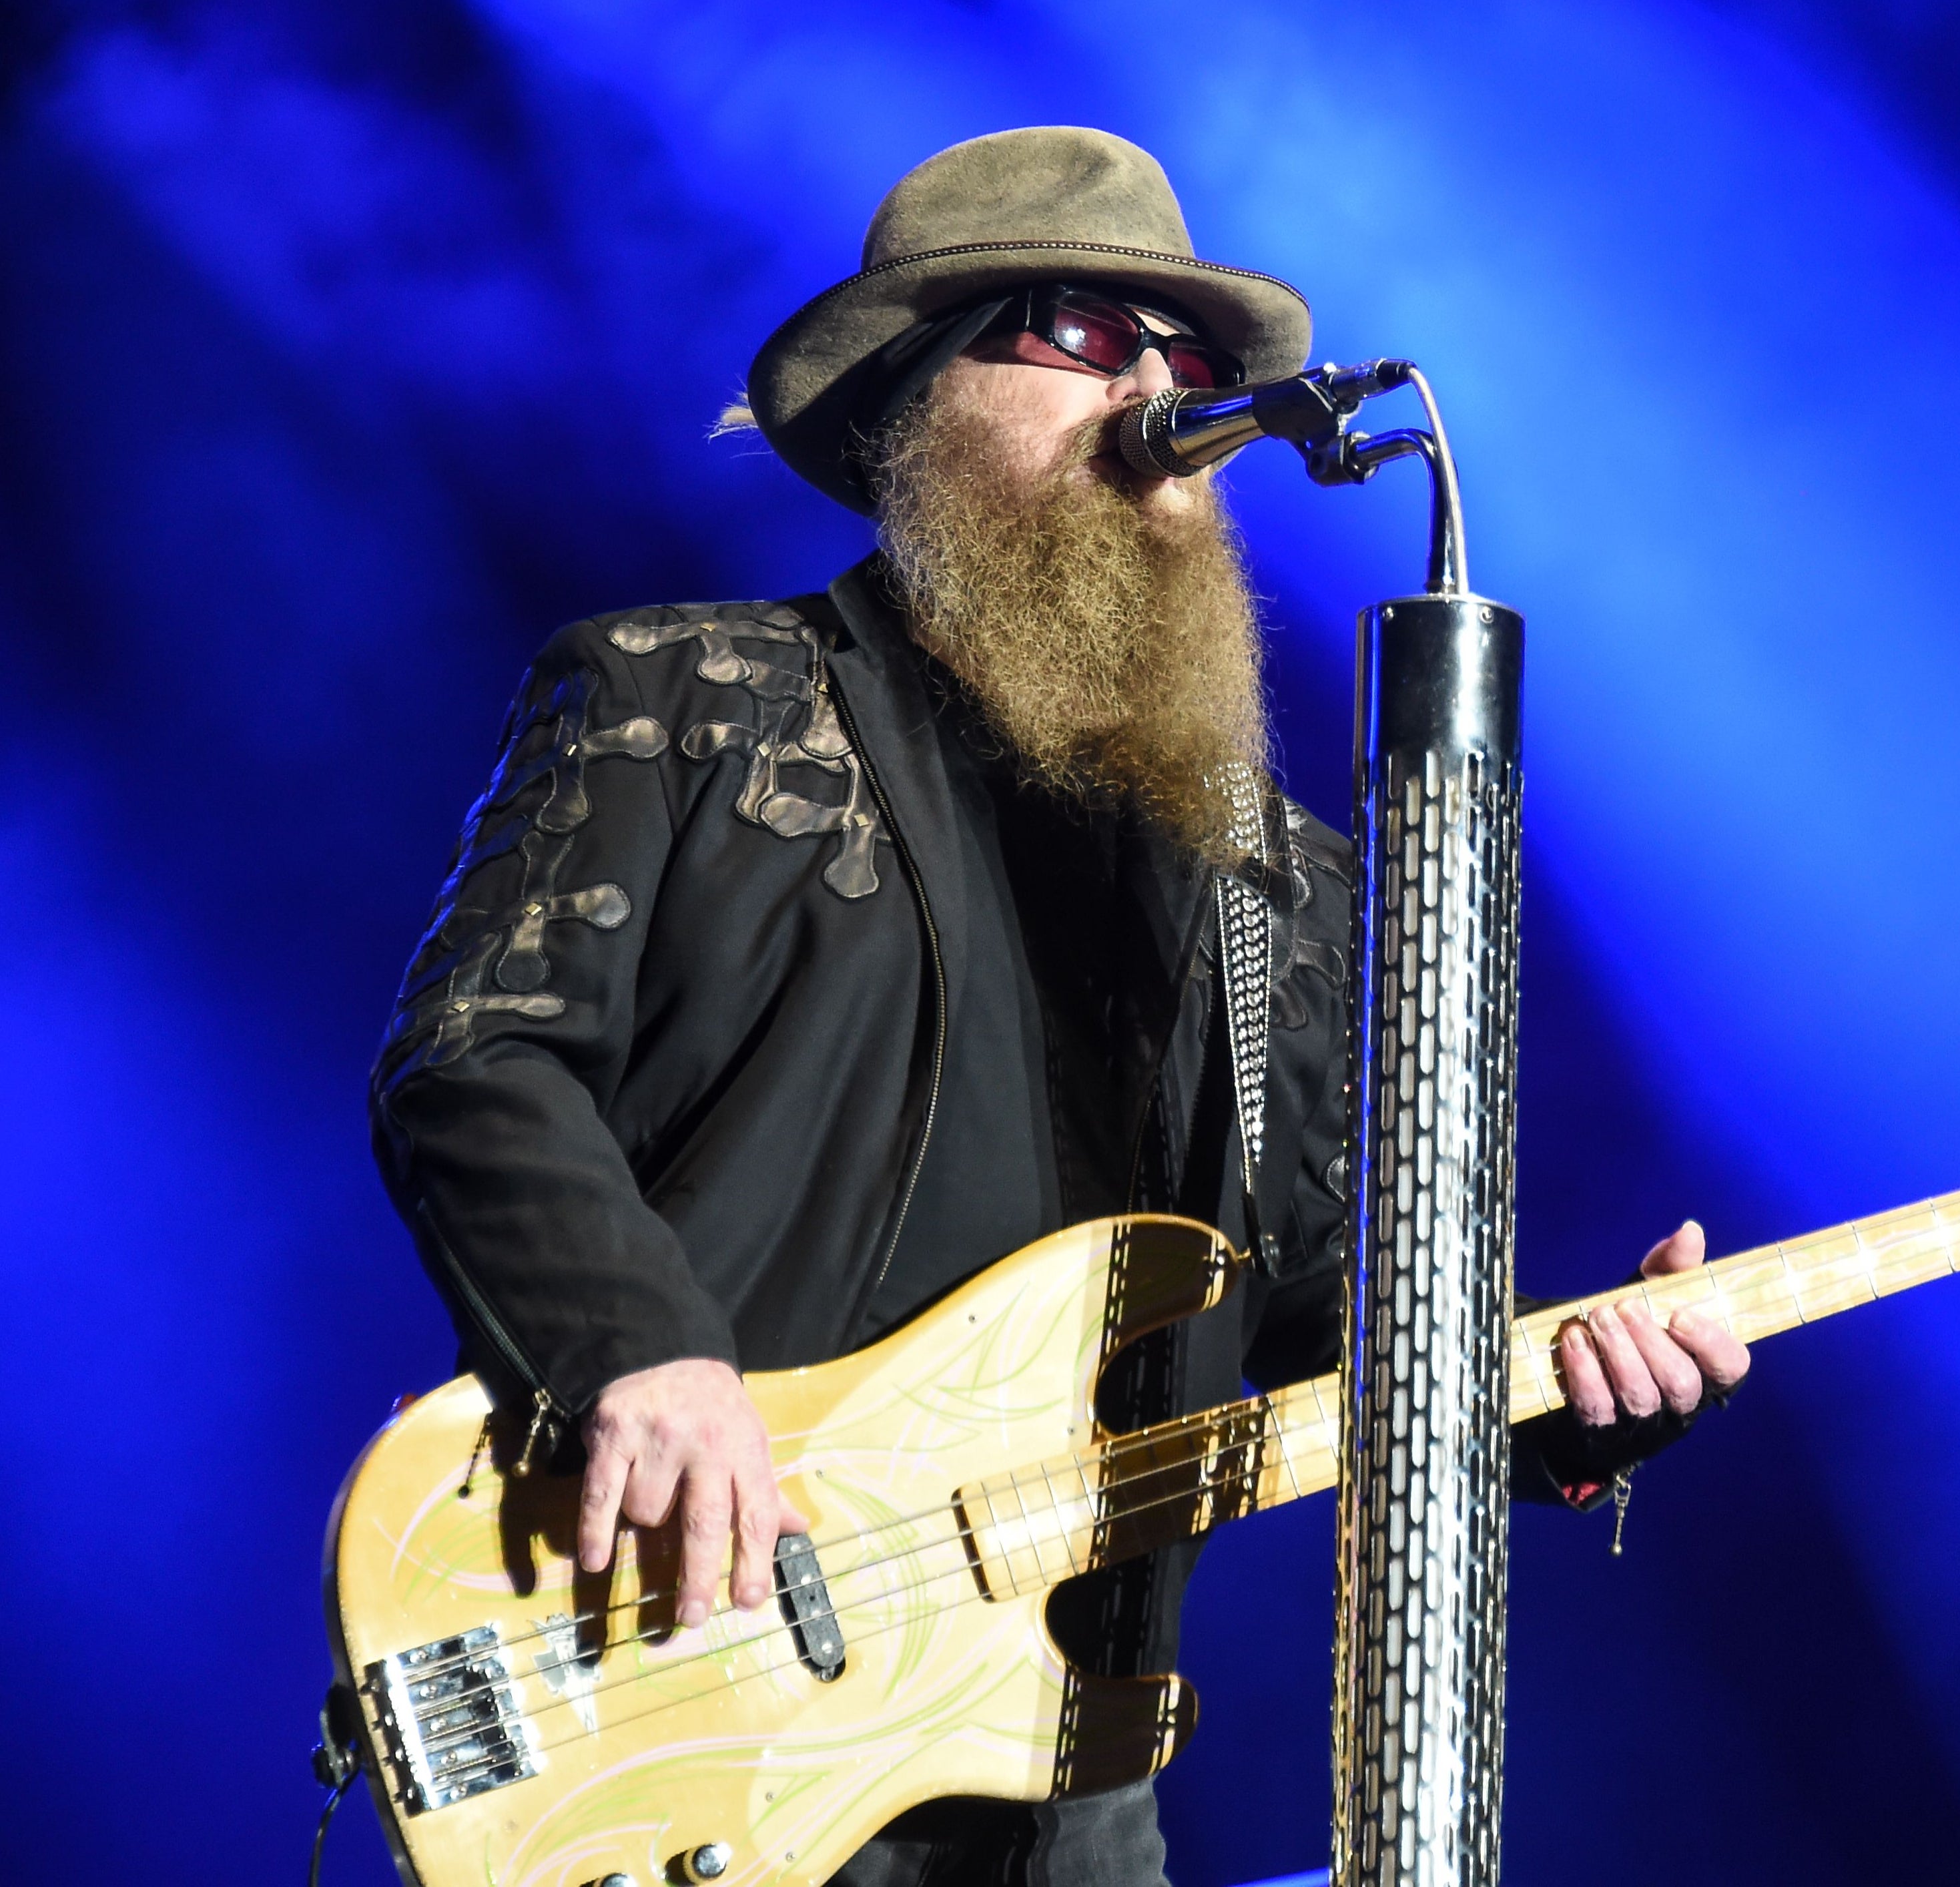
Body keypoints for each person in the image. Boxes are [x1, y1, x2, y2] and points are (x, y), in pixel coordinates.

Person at [370, 125, 1748, 1887]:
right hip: (681, 1667)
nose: (1163, 392)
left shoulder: (1278, 878)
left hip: (1057, 1760)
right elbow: (480, 1059)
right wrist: (642, 1349)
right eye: (1082, 335)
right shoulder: (689, 698)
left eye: (1187, 356)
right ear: (914, 401)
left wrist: (1571, 1392)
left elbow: (1323, 1305)